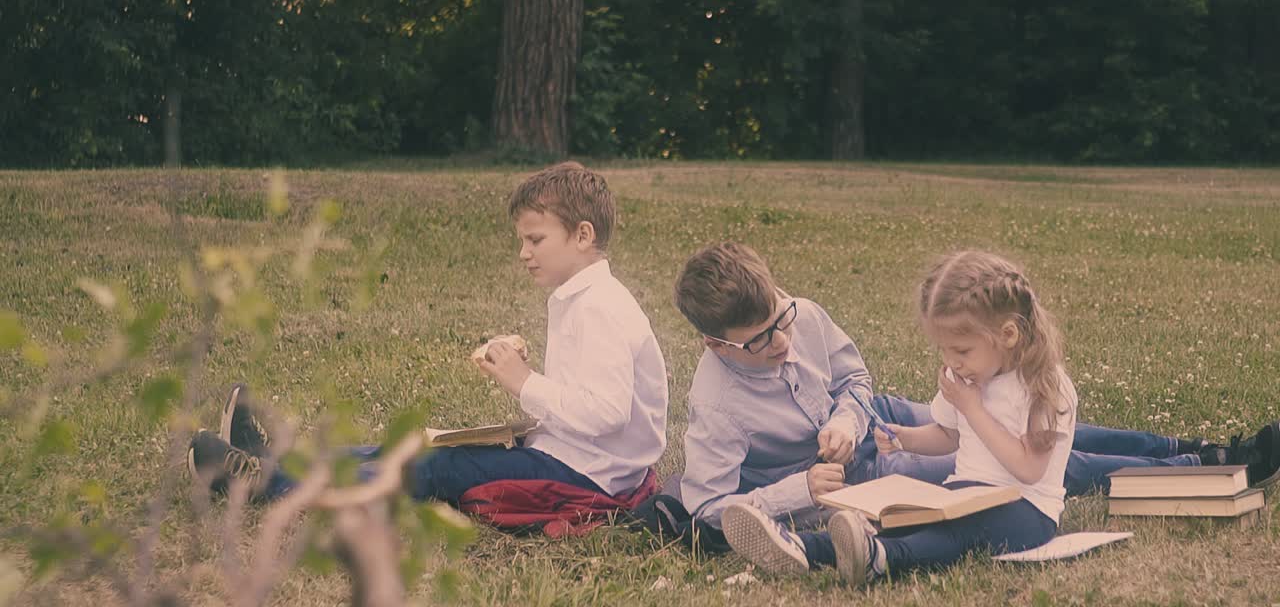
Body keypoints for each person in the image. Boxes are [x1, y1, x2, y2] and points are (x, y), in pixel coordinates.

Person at [649, 241, 1278, 552]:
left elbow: (855, 382)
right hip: (861, 474)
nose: (784, 342)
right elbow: (711, 513)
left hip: (880, 425)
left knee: (1029, 421)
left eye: (782, 320)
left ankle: (1194, 449)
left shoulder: (800, 315)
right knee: (1024, 455)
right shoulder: (716, 406)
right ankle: (1200, 470)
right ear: (715, 346)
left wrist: (848, 415)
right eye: (760, 343)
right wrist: (802, 488)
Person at [187, 161, 669, 512]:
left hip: (590, 475)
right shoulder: (577, 297)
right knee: (416, 449)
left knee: (434, 469)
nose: (524, 252)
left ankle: (265, 483)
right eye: (522, 240)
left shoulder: (602, 308)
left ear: (582, 236)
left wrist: (524, 382)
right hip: (562, 451)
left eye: (535, 240)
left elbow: (607, 415)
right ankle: (273, 458)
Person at [722, 250, 1075, 581]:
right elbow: (949, 436)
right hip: (962, 495)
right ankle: (802, 548)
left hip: (1025, 511)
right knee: (900, 520)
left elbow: (1028, 469)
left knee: (954, 535)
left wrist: (972, 407)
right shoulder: (967, 378)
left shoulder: (1044, 385)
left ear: (1008, 335)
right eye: (944, 350)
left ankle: (885, 559)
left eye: (962, 350)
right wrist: (905, 438)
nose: (953, 361)